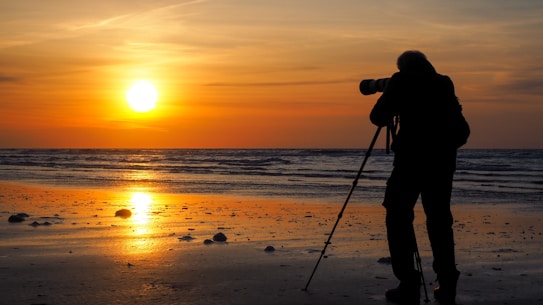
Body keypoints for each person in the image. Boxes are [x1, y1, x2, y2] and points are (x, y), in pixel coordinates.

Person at [370, 50, 469, 305]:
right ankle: (447, 283)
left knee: (397, 215)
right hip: (442, 163)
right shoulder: (443, 82)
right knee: (439, 221)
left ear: (402, 68)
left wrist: (392, 92)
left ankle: (408, 282)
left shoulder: (402, 81)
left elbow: (377, 117)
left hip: (410, 162)